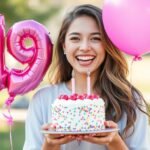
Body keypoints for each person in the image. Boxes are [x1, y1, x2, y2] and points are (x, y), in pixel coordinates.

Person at [23, 4, 150, 150]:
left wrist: (114, 141)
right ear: (64, 45)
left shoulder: (131, 101)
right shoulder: (42, 100)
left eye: (95, 38)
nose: (84, 47)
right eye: (75, 38)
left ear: (107, 45)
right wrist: (50, 144)